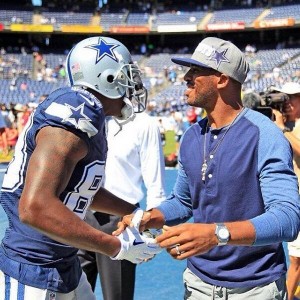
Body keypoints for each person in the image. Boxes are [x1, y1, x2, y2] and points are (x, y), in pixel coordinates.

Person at [116, 37, 300, 299]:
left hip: (254, 288)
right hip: (198, 284)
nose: (186, 78)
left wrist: (216, 235)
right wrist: (149, 217)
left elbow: (287, 219)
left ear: (222, 80)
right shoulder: (191, 136)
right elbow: (183, 201)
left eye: (196, 71)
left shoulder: (265, 135)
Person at [0, 36, 162, 300]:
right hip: (33, 269)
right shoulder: (75, 114)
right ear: (107, 78)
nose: (132, 85)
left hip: (63, 263)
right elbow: (35, 207)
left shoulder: (92, 115)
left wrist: (133, 212)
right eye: (126, 76)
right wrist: (115, 247)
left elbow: (81, 188)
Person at [78, 111, 166, 300]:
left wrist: (152, 231)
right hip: (80, 214)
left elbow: (155, 182)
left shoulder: (144, 123)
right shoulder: (87, 116)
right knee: (72, 293)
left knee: (117, 296)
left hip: (121, 221)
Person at [272, 82, 300, 300]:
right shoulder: (278, 124)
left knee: (296, 258)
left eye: (291, 97)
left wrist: (281, 128)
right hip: (285, 199)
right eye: (284, 98)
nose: (287, 102)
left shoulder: (291, 126)